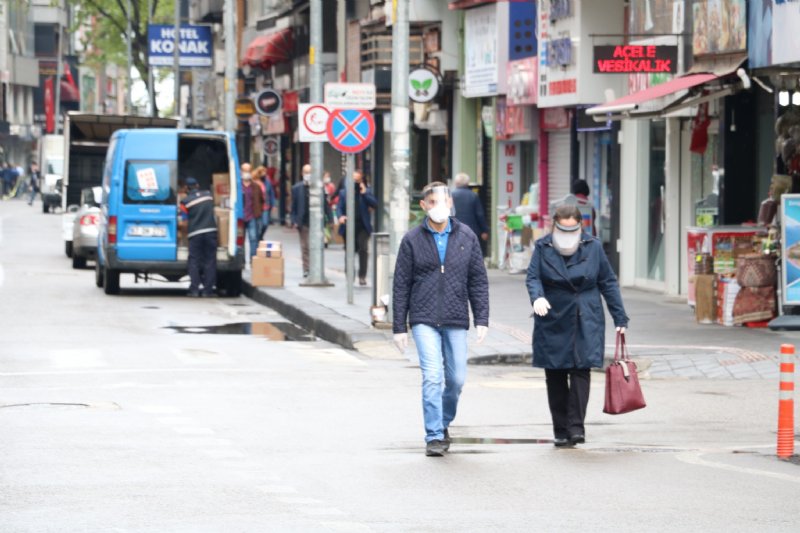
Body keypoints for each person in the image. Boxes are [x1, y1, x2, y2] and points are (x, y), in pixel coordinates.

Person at [392, 182, 490, 457]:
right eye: (433, 202)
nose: (440, 207)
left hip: (456, 317)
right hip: (423, 319)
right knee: (433, 376)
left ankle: (443, 421)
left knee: (456, 379)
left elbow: (478, 281)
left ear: (451, 204)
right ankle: (434, 435)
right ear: (424, 205)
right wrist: (399, 327)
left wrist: (482, 318)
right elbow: (401, 285)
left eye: (444, 202)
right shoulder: (412, 239)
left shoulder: (466, 236)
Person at [525, 204, 628, 447]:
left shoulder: (592, 247)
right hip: (553, 313)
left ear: (581, 226)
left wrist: (619, 317)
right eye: (563, 228)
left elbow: (608, 282)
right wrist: (537, 296)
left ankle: (576, 427)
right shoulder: (543, 247)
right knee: (555, 371)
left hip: (586, 313)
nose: (568, 233)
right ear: (554, 225)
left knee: (582, 369)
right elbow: (533, 277)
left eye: (573, 229)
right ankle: (561, 429)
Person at [337, 170, 378, 286]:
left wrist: (364, 193)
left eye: (357, 179)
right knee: (349, 251)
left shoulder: (366, 192)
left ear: (361, 180)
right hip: (348, 226)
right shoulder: (343, 193)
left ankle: (362, 276)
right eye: (353, 179)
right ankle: (350, 276)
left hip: (363, 227)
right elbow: (339, 207)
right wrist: (340, 216)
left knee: (363, 249)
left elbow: (375, 204)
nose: (355, 182)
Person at [179, 177, 217, 297]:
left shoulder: (185, 202)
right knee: (210, 260)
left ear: (186, 188)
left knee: (194, 260)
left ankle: (194, 290)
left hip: (195, 233)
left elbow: (184, 221)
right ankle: (207, 290)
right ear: (197, 185)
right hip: (211, 231)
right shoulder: (209, 195)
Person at [451, 172, 489, 245]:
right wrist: (484, 230)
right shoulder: (473, 195)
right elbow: (479, 214)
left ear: (455, 183)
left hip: (454, 230)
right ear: (468, 183)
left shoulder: (450, 196)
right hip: (472, 231)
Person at [291, 164, 313, 277]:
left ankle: (315, 268)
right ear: (302, 173)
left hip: (315, 222)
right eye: (306, 172)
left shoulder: (318, 186)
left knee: (315, 246)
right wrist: (294, 220)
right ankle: (306, 269)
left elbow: (325, 204)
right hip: (302, 221)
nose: (308, 175)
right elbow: (294, 206)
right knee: (305, 246)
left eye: (310, 173)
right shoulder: (296, 188)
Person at [241, 171, 264, 261]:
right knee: (240, 240)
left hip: (252, 216)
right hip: (241, 217)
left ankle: (253, 259)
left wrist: (258, 211)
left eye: (248, 171)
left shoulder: (256, 186)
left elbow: (261, 199)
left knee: (253, 238)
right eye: (244, 171)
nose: (246, 173)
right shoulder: (238, 186)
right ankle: (241, 260)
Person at [253, 166, 275, 239]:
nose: (264, 174)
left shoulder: (267, 181)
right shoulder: (255, 182)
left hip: (266, 206)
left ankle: (260, 236)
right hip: (257, 206)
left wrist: (273, 204)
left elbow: (271, 193)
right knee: (258, 224)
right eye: (262, 172)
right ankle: (258, 237)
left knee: (265, 223)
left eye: (265, 172)